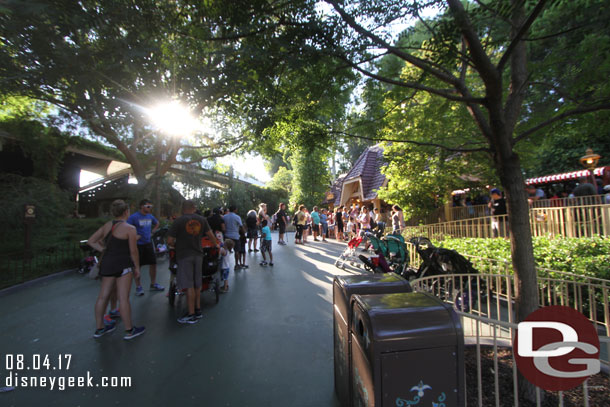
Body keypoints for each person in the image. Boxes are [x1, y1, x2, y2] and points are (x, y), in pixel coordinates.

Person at [88, 200, 145, 340]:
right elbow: (133, 251)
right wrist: (136, 267)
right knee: (123, 298)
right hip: (123, 265)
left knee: (103, 296)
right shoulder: (130, 228)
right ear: (126, 212)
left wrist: (104, 250)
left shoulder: (107, 225)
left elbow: (91, 241)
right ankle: (129, 330)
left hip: (107, 264)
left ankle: (100, 328)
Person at [167, 200, 218, 324]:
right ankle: (198, 309)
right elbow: (211, 236)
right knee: (197, 283)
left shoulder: (178, 221)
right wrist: (216, 245)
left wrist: (176, 244)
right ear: (193, 208)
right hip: (199, 255)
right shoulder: (202, 220)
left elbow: (169, 241)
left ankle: (191, 314)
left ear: (183, 208)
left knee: (189, 285)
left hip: (184, 255)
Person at [127, 199, 164, 296]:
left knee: (153, 263)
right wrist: (134, 236)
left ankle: (153, 284)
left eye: (150, 206)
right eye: (148, 206)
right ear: (142, 206)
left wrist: (152, 232)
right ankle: (139, 287)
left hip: (148, 243)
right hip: (138, 245)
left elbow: (157, 223)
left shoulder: (150, 216)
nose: (149, 208)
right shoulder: (134, 217)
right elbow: (126, 228)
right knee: (137, 266)